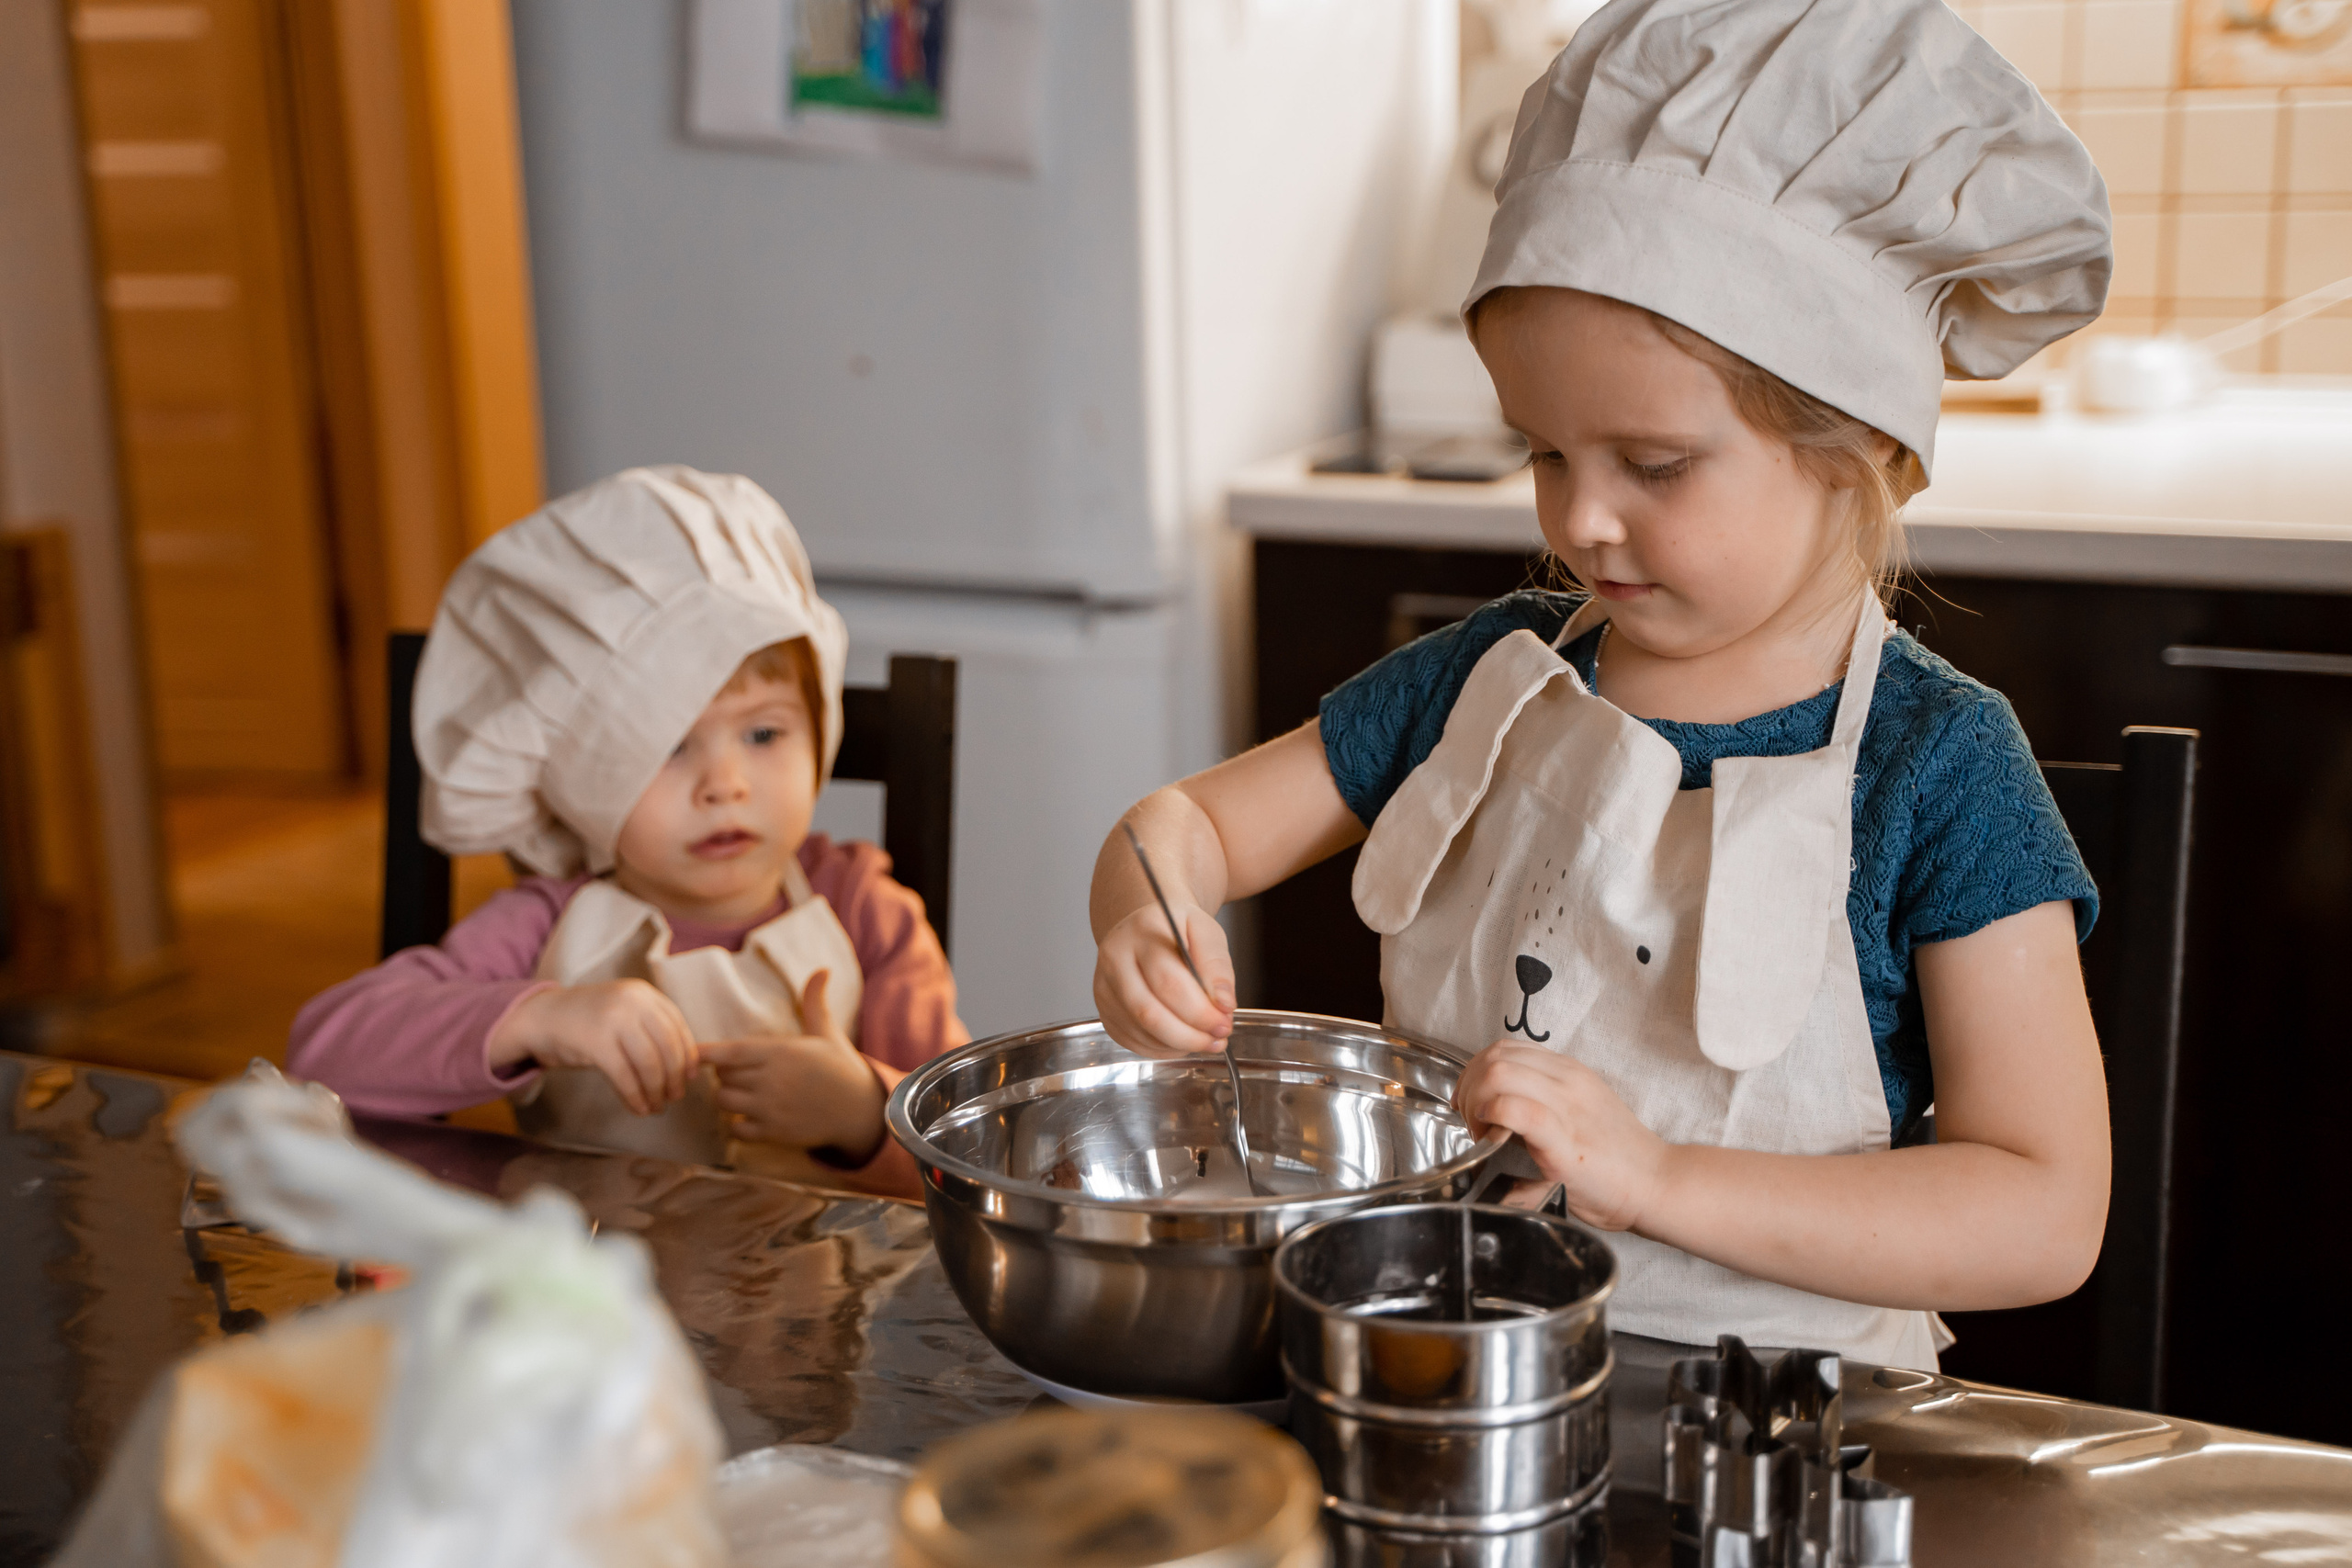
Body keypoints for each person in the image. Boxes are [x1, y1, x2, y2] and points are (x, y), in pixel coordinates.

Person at [1089, 0, 2116, 1369]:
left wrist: (1658, 1176)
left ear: (1856, 443)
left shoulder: (1937, 765)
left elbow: (2043, 1210)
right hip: (1441, 1372)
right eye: (1547, 452)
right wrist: (1144, 913)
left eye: (1654, 462)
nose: (1584, 521)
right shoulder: (1494, 674)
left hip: (1782, 1437)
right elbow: (1187, 826)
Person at [289, 465, 965, 1197]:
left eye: (764, 733)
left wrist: (863, 1111)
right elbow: (321, 1054)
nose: (725, 784)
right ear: (584, 779)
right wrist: (537, 1017)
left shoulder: (865, 908)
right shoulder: (545, 925)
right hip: (596, 1298)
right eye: (668, 747)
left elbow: (974, 1152)